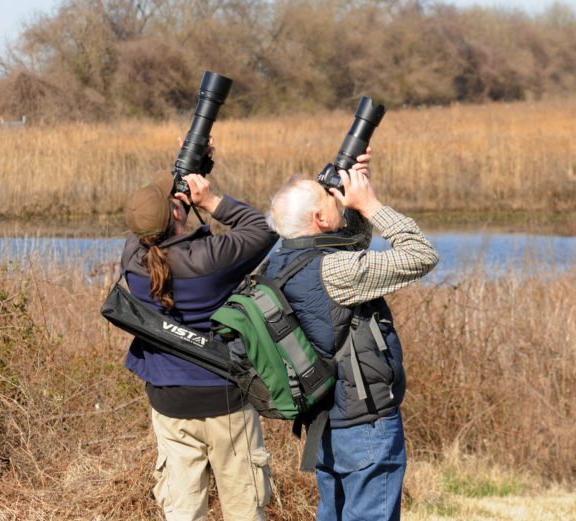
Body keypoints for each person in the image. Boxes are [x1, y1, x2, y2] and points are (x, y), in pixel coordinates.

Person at [264, 149, 439, 521]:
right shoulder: (335, 272)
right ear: (319, 218)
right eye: (331, 198)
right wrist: (371, 205)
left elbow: (349, 246)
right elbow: (422, 254)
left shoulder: (279, 262)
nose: (337, 200)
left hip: (326, 421)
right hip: (365, 426)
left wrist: (354, 206)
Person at [120, 167, 278, 520]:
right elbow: (265, 228)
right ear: (179, 211)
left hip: (169, 402)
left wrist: (192, 164)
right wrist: (211, 201)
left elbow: (155, 222)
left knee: (183, 511)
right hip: (227, 401)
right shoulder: (211, 260)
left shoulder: (132, 259)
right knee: (244, 509)